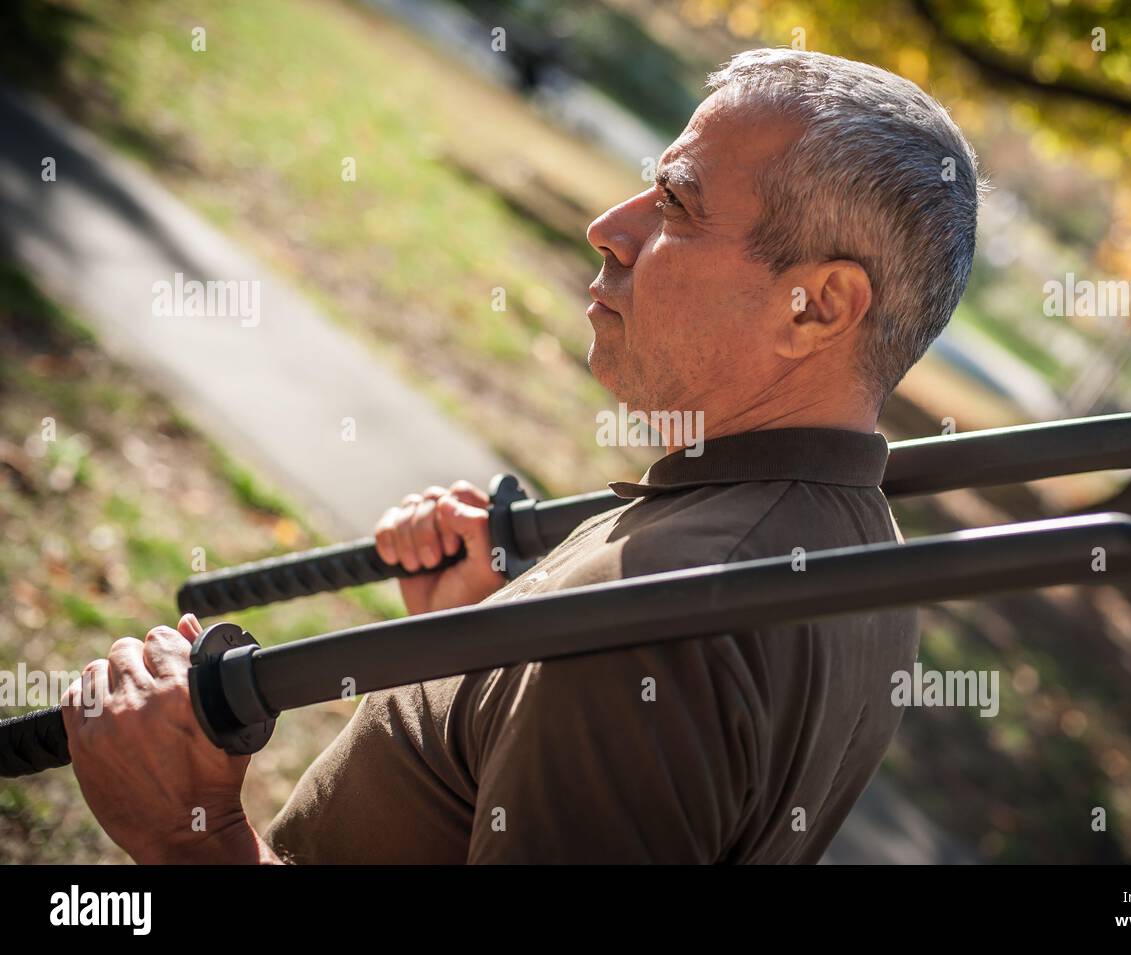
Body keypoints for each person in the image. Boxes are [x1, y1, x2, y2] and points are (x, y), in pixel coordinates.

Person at [62, 48, 983, 863]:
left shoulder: (649, 619)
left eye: (676, 204)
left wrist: (192, 836)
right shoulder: (856, 553)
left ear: (817, 306)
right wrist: (484, 642)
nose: (610, 228)